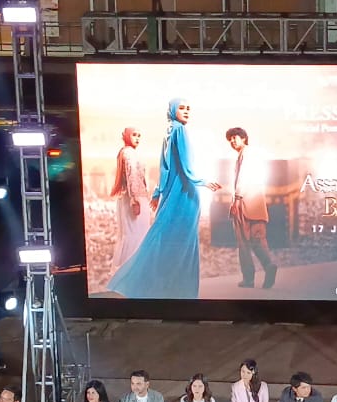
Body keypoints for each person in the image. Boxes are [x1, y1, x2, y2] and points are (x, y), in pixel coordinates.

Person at [106, 99, 221, 298]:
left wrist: (158, 192)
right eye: (182, 108)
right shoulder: (180, 130)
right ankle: (181, 292)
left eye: (188, 108)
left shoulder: (169, 130)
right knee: (182, 244)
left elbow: (164, 167)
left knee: (164, 240)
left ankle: (156, 288)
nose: (186, 111)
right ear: (173, 110)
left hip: (171, 194)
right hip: (185, 194)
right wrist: (202, 181)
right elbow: (185, 165)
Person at [226, 127, 277, 289]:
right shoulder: (253, 154)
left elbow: (243, 177)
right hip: (257, 204)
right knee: (258, 240)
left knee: (244, 243)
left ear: (243, 138)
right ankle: (269, 265)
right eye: (230, 139)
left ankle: (248, 279)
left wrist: (237, 199)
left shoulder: (246, 155)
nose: (232, 141)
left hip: (244, 203)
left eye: (235, 137)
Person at [110, 127, 151, 273]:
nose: (137, 138)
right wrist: (134, 199)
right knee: (135, 234)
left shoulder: (127, 152)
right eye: (134, 135)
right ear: (126, 136)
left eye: (139, 135)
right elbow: (131, 175)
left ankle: (132, 272)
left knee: (135, 234)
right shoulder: (128, 153)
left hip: (135, 197)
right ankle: (132, 273)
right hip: (134, 198)